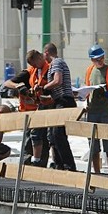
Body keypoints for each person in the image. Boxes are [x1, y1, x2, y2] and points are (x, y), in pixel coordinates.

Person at [3, 50, 51, 166]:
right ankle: (27, 164)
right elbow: (7, 83)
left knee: (43, 140)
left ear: (40, 58)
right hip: (28, 114)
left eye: (35, 64)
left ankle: (39, 164)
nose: (34, 67)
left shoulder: (48, 70)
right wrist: (19, 86)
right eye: (32, 65)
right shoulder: (29, 73)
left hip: (42, 111)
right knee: (30, 141)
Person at [84, 44, 108, 174]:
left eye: (102, 58)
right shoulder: (89, 71)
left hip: (105, 111)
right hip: (92, 111)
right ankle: (97, 174)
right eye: (97, 59)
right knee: (94, 146)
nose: (100, 61)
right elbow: (87, 89)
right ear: (92, 60)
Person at [42, 42, 77, 171]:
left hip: (64, 101)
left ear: (46, 53)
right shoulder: (53, 65)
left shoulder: (57, 63)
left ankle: (69, 165)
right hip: (59, 101)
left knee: (58, 134)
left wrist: (44, 87)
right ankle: (59, 164)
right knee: (53, 135)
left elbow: (58, 81)